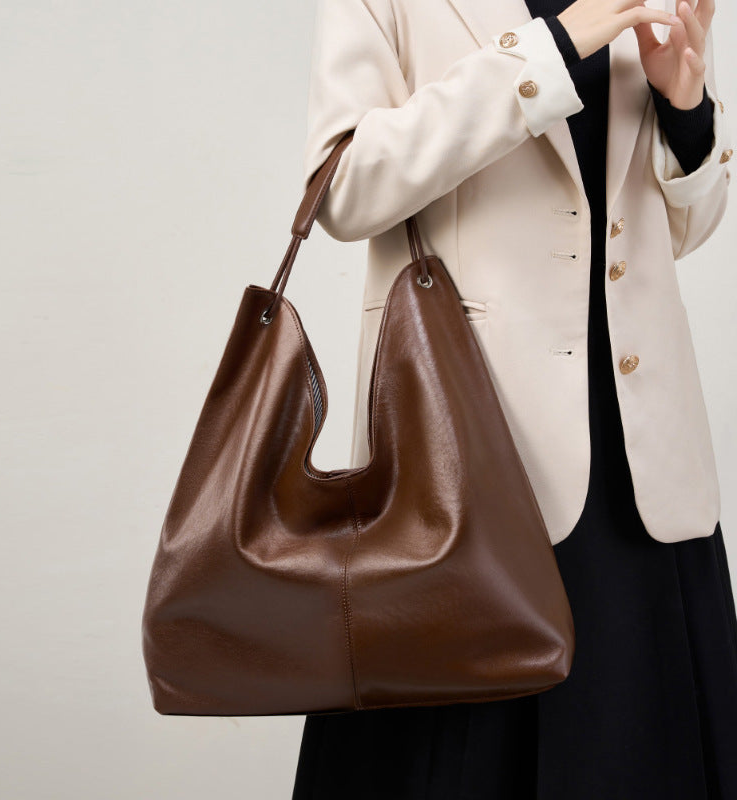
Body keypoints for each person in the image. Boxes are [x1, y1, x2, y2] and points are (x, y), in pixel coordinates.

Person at [291, 0, 737, 797]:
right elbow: (344, 187)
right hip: (466, 453)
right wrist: (549, 53)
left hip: (638, 462)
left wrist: (688, 109)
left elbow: (680, 228)